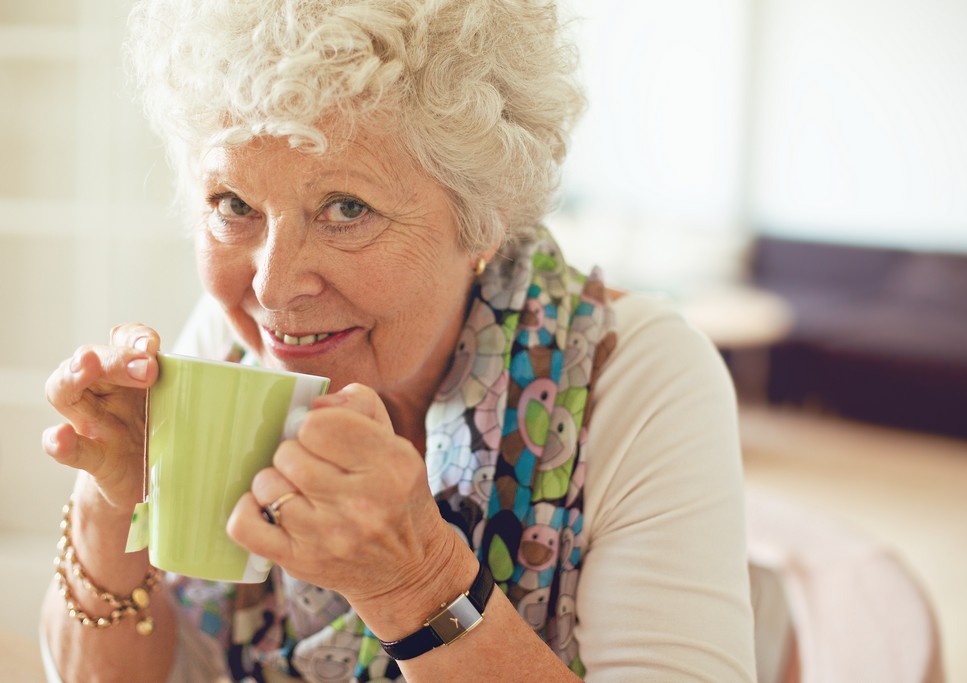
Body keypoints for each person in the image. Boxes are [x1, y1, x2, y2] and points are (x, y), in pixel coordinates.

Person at [40, 0, 756, 680]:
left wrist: (415, 581)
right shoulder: (222, 345)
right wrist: (110, 504)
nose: (272, 287)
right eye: (234, 204)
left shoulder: (641, 379)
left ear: (482, 216)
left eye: (346, 208)